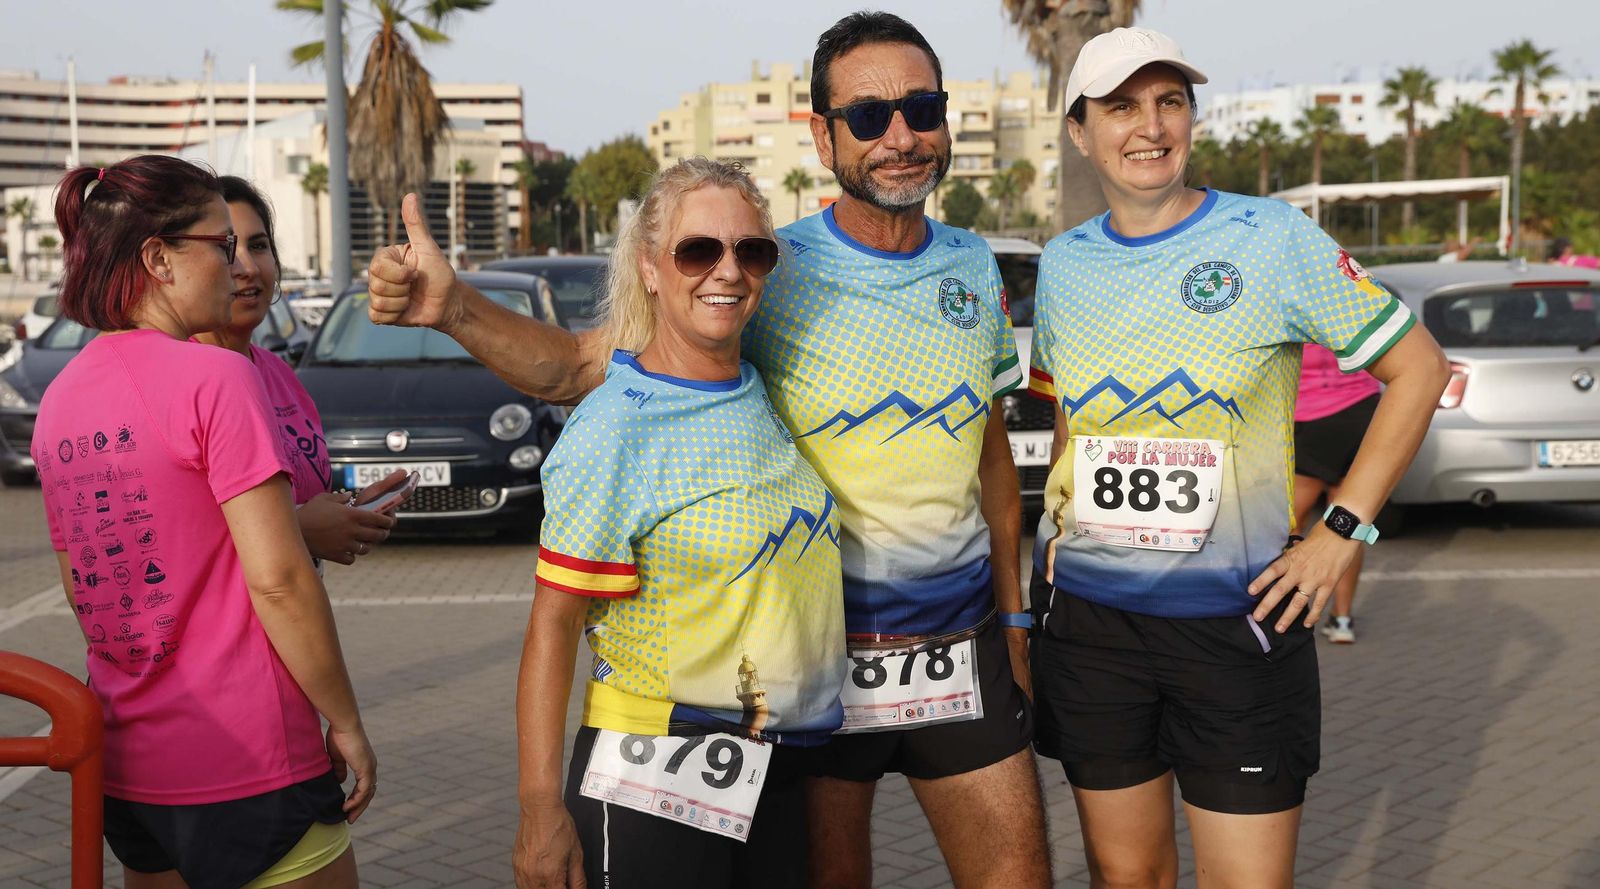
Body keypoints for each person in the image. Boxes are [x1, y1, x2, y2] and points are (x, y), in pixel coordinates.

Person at [368, 13, 1049, 886]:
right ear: (822, 134)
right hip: (819, 675)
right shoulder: (770, 264)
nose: (902, 137)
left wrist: (1016, 613)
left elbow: (987, 449)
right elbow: (579, 363)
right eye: (871, 118)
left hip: (960, 649)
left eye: (922, 108)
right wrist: (454, 306)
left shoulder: (971, 266)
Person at [1024, 28, 1449, 888]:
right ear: (1079, 131)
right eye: (1120, 106)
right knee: (1125, 875)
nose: (1149, 125)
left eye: (1169, 100)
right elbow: (1070, 423)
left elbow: (1420, 368)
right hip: (1094, 631)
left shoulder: (1273, 236)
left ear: (1190, 117)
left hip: (1236, 621)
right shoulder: (1064, 264)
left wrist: (1340, 532)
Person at [32, 155, 375, 889]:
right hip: (253, 760)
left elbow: (85, 587)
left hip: (128, 766)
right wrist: (343, 717)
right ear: (158, 258)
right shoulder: (217, 378)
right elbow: (280, 579)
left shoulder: (59, 398)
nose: (237, 264)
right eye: (221, 246)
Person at [512, 158, 845, 889]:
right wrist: (540, 809)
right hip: (650, 775)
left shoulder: (757, 387)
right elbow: (553, 626)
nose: (727, 270)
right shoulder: (617, 427)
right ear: (651, 269)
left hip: (774, 765)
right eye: (698, 250)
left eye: (750, 251)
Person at [192, 176, 409, 563]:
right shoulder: (179, 380)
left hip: (291, 614)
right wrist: (300, 531)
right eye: (226, 248)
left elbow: (298, 501)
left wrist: (349, 510)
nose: (246, 267)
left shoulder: (280, 375)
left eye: (258, 246)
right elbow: (168, 536)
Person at [1293, 343, 1382, 643]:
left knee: (1289, 524)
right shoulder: (1352, 298)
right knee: (1347, 520)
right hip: (1362, 409)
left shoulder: (1289, 300)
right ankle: (1341, 619)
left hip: (1313, 413)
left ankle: (1289, 611)